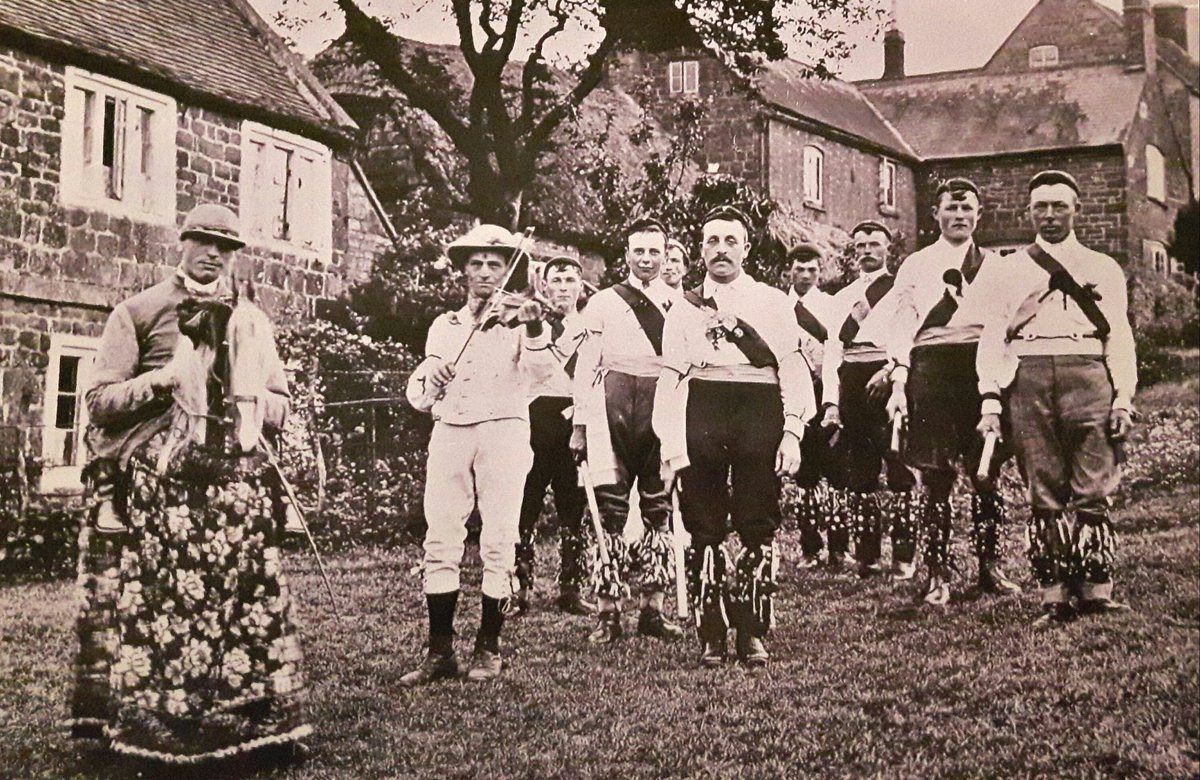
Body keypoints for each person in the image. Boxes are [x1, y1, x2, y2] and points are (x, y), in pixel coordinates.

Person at [70, 203, 309, 764]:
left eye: (225, 247)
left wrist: (250, 394)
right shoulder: (140, 311)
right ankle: (155, 729)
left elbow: (280, 405)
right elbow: (100, 403)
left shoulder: (251, 319)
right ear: (183, 243)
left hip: (234, 487)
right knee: (163, 606)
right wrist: (168, 380)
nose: (213, 255)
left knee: (249, 601)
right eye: (203, 242)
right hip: (160, 488)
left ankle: (252, 730)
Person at [654, 205, 815, 667]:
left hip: (757, 407)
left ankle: (751, 630)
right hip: (703, 404)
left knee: (756, 516)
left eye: (730, 241)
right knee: (703, 519)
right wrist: (670, 443)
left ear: (746, 248)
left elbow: (792, 365)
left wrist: (792, 432)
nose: (720, 250)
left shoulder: (771, 301)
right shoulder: (684, 307)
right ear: (700, 249)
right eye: (711, 241)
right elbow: (671, 374)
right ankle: (711, 632)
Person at [976, 170, 1136, 626]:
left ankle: (1097, 590)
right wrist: (990, 400)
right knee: (1043, 485)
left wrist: (1123, 395)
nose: (1049, 215)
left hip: (1088, 374)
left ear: (1076, 210)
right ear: (1028, 212)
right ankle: (1054, 596)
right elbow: (993, 337)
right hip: (1027, 377)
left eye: (1059, 206)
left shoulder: (1103, 267)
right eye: (1040, 207)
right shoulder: (1008, 269)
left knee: (1094, 482)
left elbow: (1119, 335)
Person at [403, 224, 551, 683]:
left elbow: (541, 371)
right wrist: (433, 378)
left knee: (499, 537)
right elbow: (418, 395)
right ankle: (440, 650)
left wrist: (533, 323)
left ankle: (489, 646)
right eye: (477, 264)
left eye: (495, 265)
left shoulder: (520, 321)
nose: (486, 273)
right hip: (451, 431)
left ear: (508, 270)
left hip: (504, 431)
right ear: (463, 272)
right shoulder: (444, 326)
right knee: (441, 536)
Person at [885, 178, 1022, 605]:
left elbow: (1006, 327)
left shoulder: (998, 267)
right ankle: (937, 573)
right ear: (935, 214)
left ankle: (989, 567)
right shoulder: (915, 265)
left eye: (967, 209)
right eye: (951, 208)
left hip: (981, 372)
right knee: (936, 475)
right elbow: (902, 325)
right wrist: (899, 381)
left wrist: (997, 386)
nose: (959, 216)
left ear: (978, 215)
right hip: (931, 371)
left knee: (986, 471)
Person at [571, 217, 684, 644]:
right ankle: (608, 612)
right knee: (609, 507)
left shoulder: (679, 304)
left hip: (660, 402)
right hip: (612, 401)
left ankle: (653, 609)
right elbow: (586, 364)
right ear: (627, 254)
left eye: (655, 251)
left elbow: (685, 367)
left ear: (665, 252)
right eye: (639, 250)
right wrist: (580, 423)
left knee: (658, 505)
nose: (647, 258)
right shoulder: (602, 302)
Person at [820, 221, 919, 580]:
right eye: (860, 245)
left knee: (898, 466)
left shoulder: (899, 291)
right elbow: (834, 349)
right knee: (860, 471)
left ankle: (905, 557)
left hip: (887, 377)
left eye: (874, 244)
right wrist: (831, 401)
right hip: (853, 378)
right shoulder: (843, 297)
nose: (866, 251)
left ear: (888, 248)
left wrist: (893, 370)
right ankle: (868, 556)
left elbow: (906, 336)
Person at [513, 255, 593, 616]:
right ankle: (520, 589)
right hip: (533, 417)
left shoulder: (592, 327)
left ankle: (570, 588)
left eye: (569, 280)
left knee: (573, 506)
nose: (562, 287)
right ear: (543, 286)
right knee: (525, 502)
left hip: (574, 419)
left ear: (580, 287)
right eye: (555, 281)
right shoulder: (529, 324)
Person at [784, 243, 845, 569]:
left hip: (826, 393)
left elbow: (836, 352)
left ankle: (838, 549)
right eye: (799, 268)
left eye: (812, 269)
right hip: (796, 397)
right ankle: (810, 548)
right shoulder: (779, 307)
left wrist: (833, 401)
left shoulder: (831, 306)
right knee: (805, 476)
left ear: (820, 272)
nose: (806, 275)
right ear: (789, 270)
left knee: (836, 473)